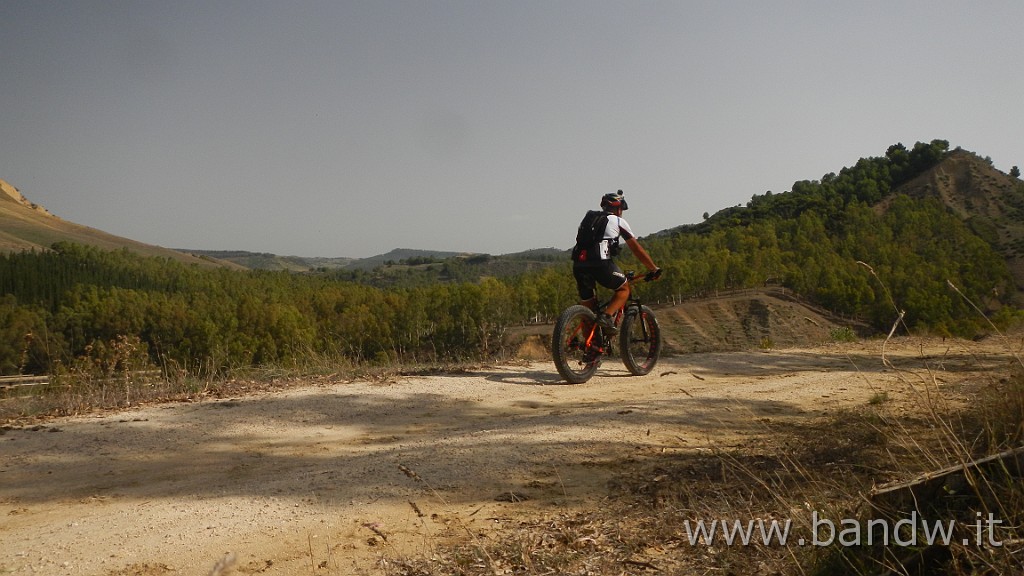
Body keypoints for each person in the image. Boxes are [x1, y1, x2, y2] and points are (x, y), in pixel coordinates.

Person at [571, 190, 661, 334]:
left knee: (589, 309)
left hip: (579, 265)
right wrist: (653, 268)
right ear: (619, 208)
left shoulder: (589, 218)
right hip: (601, 264)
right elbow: (636, 249)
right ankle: (607, 317)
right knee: (624, 288)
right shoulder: (618, 221)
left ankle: (592, 349)